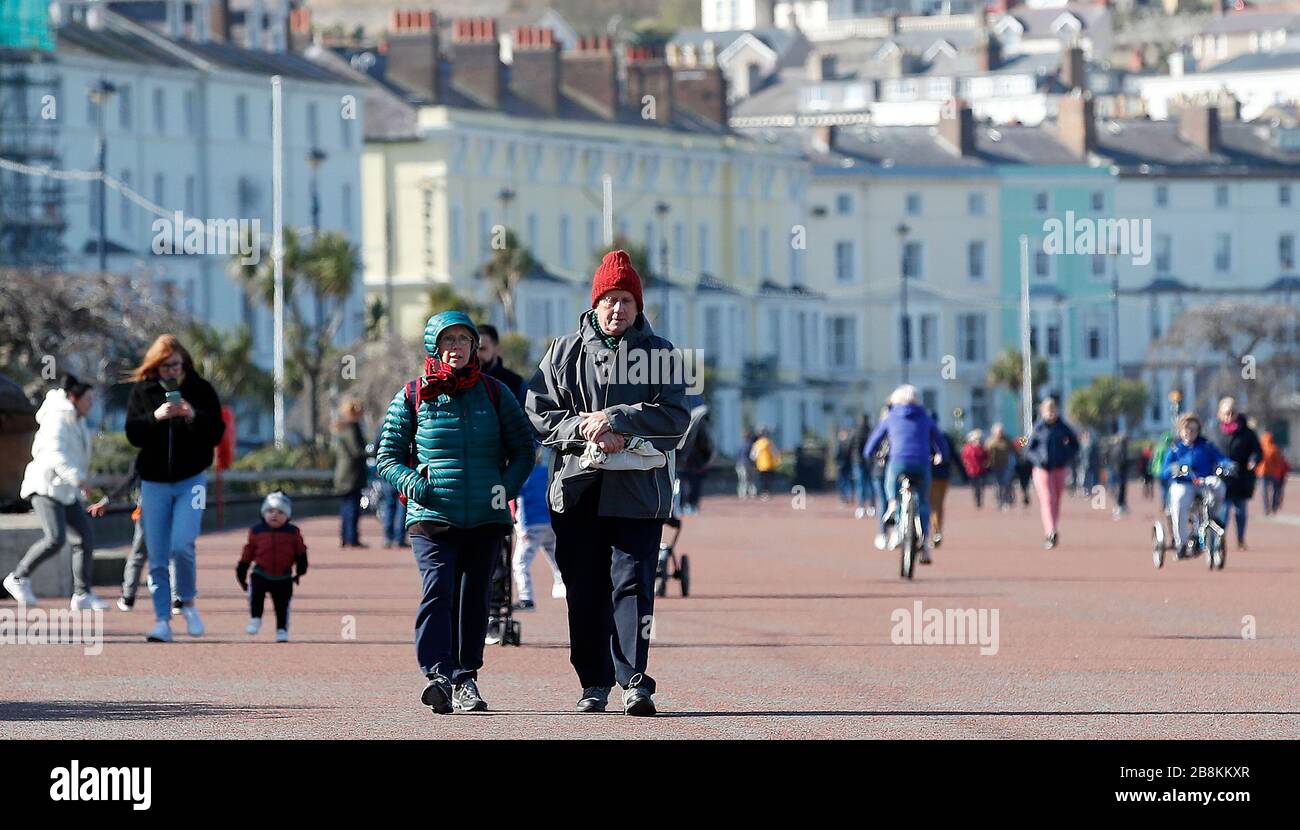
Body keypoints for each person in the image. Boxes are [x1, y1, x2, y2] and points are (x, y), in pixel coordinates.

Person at [526, 249, 691, 717]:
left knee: (634, 586)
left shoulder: (661, 353)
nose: (618, 309)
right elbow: (538, 415)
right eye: (609, 300)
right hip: (577, 490)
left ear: (638, 306)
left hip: (640, 494)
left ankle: (634, 680)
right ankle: (593, 682)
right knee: (583, 589)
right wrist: (582, 428)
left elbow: (676, 418)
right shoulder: (563, 352)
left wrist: (618, 421)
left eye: (626, 300)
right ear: (594, 303)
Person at [377, 311, 534, 714]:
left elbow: (523, 450)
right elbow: (387, 457)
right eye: (448, 340)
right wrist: (416, 484)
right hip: (431, 517)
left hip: (485, 517)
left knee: (473, 597)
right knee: (439, 588)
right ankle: (438, 674)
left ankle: (466, 678)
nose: (456, 348)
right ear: (434, 346)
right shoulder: (412, 395)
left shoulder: (496, 393)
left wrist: (505, 488)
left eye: (464, 340)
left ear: (474, 348)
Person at [124, 334, 225, 642]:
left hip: (191, 480)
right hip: (154, 483)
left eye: (176, 365)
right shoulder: (144, 391)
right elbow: (133, 433)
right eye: (165, 366)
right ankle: (162, 621)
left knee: (182, 545)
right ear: (156, 366)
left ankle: (188, 602)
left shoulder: (200, 389)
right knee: (156, 554)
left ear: (185, 363)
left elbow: (217, 432)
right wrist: (155, 418)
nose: (171, 371)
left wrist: (192, 414)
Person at [5, 375, 110, 610]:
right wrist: (80, 480)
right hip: (45, 487)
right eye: (88, 399)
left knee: (84, 536)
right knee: (56, 538)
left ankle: (82, 594)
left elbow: (77, 456)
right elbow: (56, 455)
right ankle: (18, 577)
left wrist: (80, 482)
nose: (91, 404)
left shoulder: (77, 419)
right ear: (74, 398)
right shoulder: (57, 418)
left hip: (66, 491)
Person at [863, 386, 948, 561]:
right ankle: (924, 544)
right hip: (922, 462)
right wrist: (941, 455)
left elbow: (873, 441)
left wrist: (871, 454)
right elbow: (940, 440)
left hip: (899, 461)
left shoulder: (891, 417)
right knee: (923, 502)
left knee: (891, 481)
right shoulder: (925, 417)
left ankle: (893, 504)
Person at [236, 492, 308, 642]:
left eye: (280, 512)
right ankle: (255, 618)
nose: (274, 515)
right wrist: (242, 570)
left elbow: (300, 551)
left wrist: (301, 569)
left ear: (287, 516)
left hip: (283, 575)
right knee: (256, 596)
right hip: (261, 572)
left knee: (282, 605)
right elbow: (248, 552)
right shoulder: (257, 531)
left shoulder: (293, 533)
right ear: (264, 513)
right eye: (270, 511)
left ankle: (281, 629)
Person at [1165, 412, 1229, 557]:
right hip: (1184, 483)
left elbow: (1221, 458)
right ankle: (1181, 542)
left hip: (1204, 481)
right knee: (1179, 501)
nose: (1189, 433)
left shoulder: (1206, 446)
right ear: (1180, 431)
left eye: (1193, 430)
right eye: (1186, 430)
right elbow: (1165, 470)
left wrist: (1227, 466)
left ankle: (1213, 515)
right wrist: (1174, 470)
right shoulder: (1176, 449)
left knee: (1219, 485)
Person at [1024, 398, 1080, 549]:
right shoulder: (1038, 428)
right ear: (1043, 412)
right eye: (1048, 411)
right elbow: (1028, 449)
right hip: (1042, 470)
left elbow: (1075, 445)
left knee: (1056, 500)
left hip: (1059, 469)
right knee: (1048, 499)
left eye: (1053, 410)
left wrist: (1065, 456)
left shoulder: (1063, 427)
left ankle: (1053, 528)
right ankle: (1050, 531)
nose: (1051, 414)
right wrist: (1038, 460)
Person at [511, 452, 564, 609]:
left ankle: (526, 598)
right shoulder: (546, 472)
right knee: (556, 558)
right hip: (550, 522)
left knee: (520, 562)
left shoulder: (523, 476)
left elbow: (518, 503)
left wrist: (521, 529)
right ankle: (562, 585)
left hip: (532, 524)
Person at [1215, 397, 1262, 550]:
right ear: (1220, 414)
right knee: (1224, 510)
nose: (1229, 416)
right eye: (1226, 413)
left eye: (1232, 413)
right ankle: (1220, 540)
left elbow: (1257, 451)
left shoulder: (1247, 433)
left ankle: (1241, 539)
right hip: (1223, 477)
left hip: (1242, 477)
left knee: (1240, 511)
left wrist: (1253, 460)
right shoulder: (1215, 431)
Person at [332, 398, 369, 549]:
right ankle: (351, 538)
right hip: (351, 475)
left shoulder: (344, 427)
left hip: (345, 474)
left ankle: (346, 537)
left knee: (347, 507)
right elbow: (356, 451)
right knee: (352, 508)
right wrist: (371, 453)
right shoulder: (352, 428)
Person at [677, 400, 715, 515]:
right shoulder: (701, 423)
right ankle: (691, 505)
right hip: (695, 461)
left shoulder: (689, 421)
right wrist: (709, 455)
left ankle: (681, 506)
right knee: (694, 483)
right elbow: (705, 442)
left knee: (681, 483)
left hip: (682, 459)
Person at [476, 323, 526, 405]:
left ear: (497, 349)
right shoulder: (463, 382)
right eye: (473, 349)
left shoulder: (516, 384)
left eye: (482, 349)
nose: (476, 354)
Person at [929, 412, 957, 547]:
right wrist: (965, 474)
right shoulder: (944, 437)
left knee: (931, 505)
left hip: (931, 476)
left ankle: (934, 531)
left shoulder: (924, 437)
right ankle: (937, 531)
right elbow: (955, 456)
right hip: (943, 476)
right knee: (938, 505)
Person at [1257, 431, 1290, 515]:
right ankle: (1273, 506)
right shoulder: (1274, 448)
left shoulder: (1260, 448)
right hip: (1272, 472)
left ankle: (1266, 508)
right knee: (1275, 489)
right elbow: (1278, 462)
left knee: (1264, 491)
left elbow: (1257, 460)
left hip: (1263, 472)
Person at [850, 413, 875, 520]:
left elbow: (850, 445)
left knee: (860, 484)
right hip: (869, 461)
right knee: (869, 484)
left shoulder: (855, 431)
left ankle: (861, 506)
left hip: (858, 461)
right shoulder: (871, 431)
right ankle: (871, 506)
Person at [985, 424, 1014, 510]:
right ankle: (999, 500)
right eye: (998, 432)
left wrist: (1024, 442)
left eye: (1001, 432)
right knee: (997, 484)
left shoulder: (1007, 440)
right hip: (994, 466)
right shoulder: (990, 441)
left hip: (1006, 465)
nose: (1000, 433)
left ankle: (1006, 499)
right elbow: (985, 453)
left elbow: (1015, 448)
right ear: (994, 432)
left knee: (1006, 482)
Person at [961, 429, 990, 509]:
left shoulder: (983, 449)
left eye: (979, 439)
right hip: (972, 470)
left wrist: (986, 464)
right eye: (976, 439)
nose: (977, 441)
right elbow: (964, 457)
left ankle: (980, 499)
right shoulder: (967, 448)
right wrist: (966, 464)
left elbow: (987, 457)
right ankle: (977, 498)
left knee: (981, 486)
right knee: (975, 486)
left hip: (981, 470)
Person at [750, 429, 780, 498]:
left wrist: (754, 463)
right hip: (770, 465)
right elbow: (776, 454)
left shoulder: (757, 444)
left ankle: (763, 493)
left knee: (762, 480)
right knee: (769, 480)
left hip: (760, 466)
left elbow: (753, 456)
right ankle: (768, 492)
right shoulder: (769, 443)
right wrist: (777, 462)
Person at [1107, 430, 1130, 519]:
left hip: (1116, 470)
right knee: (1121, 489)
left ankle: (1120, 505)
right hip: (1120, 471)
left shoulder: (1115, 448)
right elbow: (1122, 460)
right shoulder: (1121, 449)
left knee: (1119, 488)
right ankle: (1119, 506)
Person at [1150, 430, 1175, 510]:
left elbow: (1154, 460)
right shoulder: (1171, 449)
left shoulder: (1158, 448)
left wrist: (1152, 469)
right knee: (1169, 488)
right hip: (1167, 471)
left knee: (1163, 488)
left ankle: (1164, 503)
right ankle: (1168, 504)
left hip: (1158, 471)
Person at [835, 428, 855, 505]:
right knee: (845, 482)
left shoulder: (842, 444)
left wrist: (837, 462)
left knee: (844, 482)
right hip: (845, 465)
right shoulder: (848, 444)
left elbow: (837, 455)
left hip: (844, 466)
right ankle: (846, 497)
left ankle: (846, 497)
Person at [736, 428, 757, 498]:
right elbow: (753, 456)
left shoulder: (740, 445)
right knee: (750, 479)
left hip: (741, 464)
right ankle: (751, 493)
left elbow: (737, 456)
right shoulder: (751, 445)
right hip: (748, 464)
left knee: (743, 479)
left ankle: (742, 494)